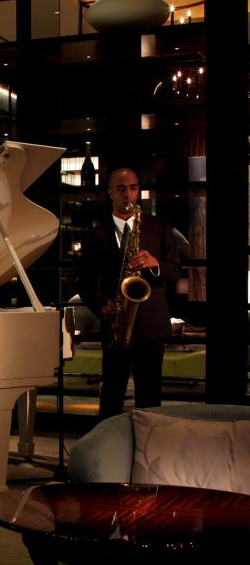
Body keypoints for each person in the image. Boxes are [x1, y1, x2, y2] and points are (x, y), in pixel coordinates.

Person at [75, 167, 181, 419]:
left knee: (150, 396)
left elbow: (174, 271)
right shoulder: (95, 234)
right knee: (111, 394)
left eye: (133, 188)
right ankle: (109, 440)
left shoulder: (159, 226)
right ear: (110, 193)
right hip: (116, 323)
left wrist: (155, 265)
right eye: (121, 189)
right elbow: (84, 282)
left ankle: (148, 441)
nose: (129, 194)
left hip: (151, 324)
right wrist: (101, 304)